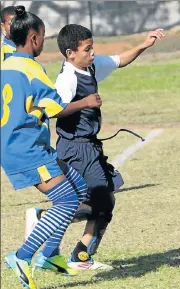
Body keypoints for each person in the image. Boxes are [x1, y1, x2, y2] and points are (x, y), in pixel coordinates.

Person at [26, 24, 165, 271]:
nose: (92, 53)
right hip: (75, 147)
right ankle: (46, 221)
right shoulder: (67, 78)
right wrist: (84, 103)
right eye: (87, 49)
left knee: (107, 199)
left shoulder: (89, 66)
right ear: (70, 53)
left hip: (90, 146)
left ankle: (81, 255)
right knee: (100, 198)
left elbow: (119, 60)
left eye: (93, 48)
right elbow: (54, 109)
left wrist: (144, 44)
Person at [1, 6, 102, 289]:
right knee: (68, 202)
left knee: (80, 190)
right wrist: (84, 98)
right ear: (33, 37)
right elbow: (56, 106)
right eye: (43, 37)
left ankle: (49, 255)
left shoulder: (5, 64)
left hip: (20, 145)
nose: (44, 43)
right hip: (26, 148)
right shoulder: (32, 69)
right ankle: (21, 256)